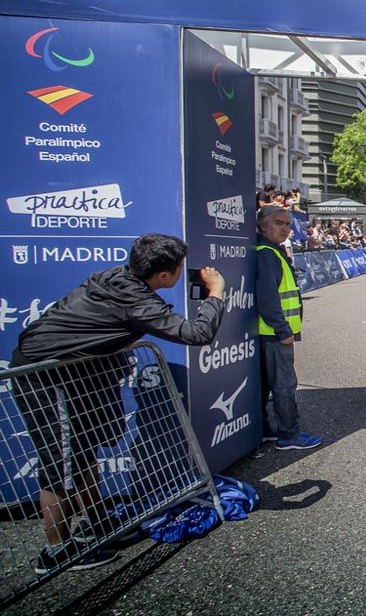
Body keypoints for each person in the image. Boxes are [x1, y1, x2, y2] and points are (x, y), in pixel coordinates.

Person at [11, 234, 226, 572]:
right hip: (45, 378)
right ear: (164, 276)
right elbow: (197, 334)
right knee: (60, 465)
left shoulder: (116, 278)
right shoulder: (137, 301)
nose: (185, 272)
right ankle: (56, 550)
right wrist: (215, 292)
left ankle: (97, 523)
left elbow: (102, 325)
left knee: (83, 451)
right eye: (181, 268)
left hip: (72, 374)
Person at [256, 206, 322, 451]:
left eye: (287, 224)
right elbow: (267, 296)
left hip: (272, 332)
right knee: (284, 386)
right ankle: (289, 434)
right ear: (263, 226)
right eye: (279, 223)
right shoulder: (266, 253)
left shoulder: (273, 250)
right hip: (275, 333)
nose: (285, 228)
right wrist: (283, 330)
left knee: (267, 385)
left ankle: (264, 430)